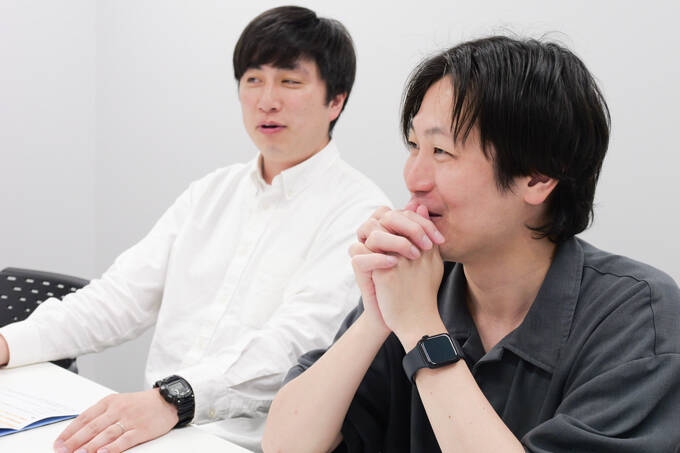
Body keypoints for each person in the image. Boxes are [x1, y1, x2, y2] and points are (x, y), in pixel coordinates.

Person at [0, 6, 390, 453]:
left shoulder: (359, 213)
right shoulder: (210, 194)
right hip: (157, 429)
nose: (267, 100)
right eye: (253, 79)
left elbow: (293, 345)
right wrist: (8, 342)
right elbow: (118, 298)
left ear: (336, 100)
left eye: (290, 81)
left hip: (247, 443)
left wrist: (174, 399)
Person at [263, 36, 680, 452]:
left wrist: (422, 330)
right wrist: (377, 317)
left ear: (538, 177)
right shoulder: (417, 285)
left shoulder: (638, 316)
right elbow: (285, 445)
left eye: (441, 151)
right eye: (414, 146)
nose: (413, 178)